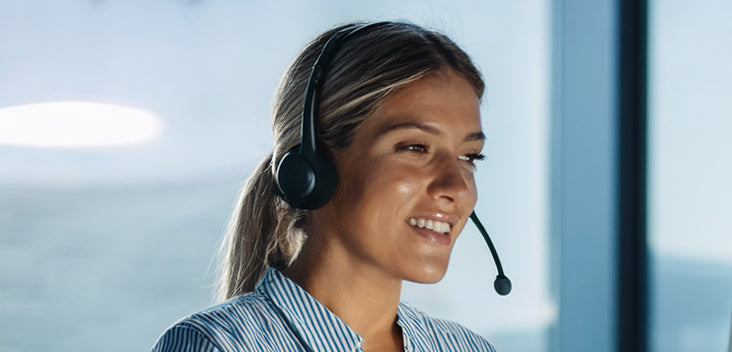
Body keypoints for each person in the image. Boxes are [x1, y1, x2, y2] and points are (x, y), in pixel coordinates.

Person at [151, 21, 497, 352]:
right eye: (415, 148)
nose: (458, 187)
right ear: (312, 168)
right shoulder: (218, 346)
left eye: (469, 157)